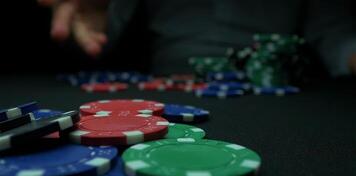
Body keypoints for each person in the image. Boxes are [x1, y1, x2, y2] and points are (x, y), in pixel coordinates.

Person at [37, 0, 356, 76]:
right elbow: (103, 37)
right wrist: (94, 18)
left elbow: (335, 34)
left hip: (281, 97)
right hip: (166, 89)